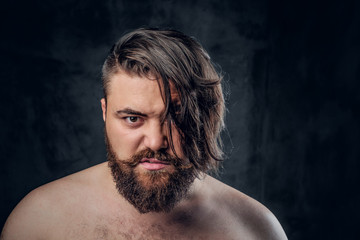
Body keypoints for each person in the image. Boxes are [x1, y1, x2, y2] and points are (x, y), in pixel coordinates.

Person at [1, 28, 287, 240]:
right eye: (133, 118)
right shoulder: (38, 220)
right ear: (104, 113)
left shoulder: (255, 230)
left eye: (177, 118)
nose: (156, 141)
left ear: (205, 116)